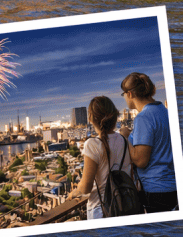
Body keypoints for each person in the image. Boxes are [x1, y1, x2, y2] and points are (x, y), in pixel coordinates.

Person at [119, 72, 177, 213]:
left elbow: (140, 160)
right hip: (172, 185)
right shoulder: (164, 111)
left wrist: (126, 137)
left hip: (156, 190)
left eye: (123, 94)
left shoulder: (144, 118)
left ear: (130, 94)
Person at [67, 96, 133, 219]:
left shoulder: (93, 144)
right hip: (124, 205)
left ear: (90, 118)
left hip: (102, 210)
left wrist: (74, 193)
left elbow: (86, 187)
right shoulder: (124, 140)